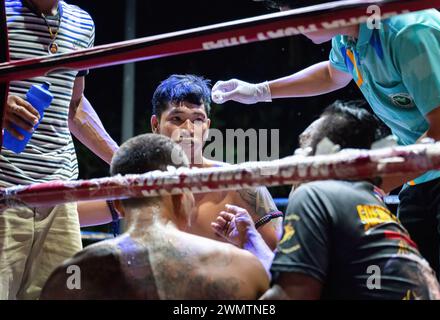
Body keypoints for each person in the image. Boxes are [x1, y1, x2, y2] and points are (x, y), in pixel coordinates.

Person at [212, 0, 440, 295]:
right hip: (417, 172)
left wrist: (374, 184)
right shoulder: (350, 36)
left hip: (435, 161)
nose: (295, 28)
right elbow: (332, 74)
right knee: (410, 286)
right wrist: (260, 91)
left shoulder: (408, 31)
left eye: (299, 18)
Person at [213, 101, 440, 300]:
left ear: (328, 156)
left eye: (306, 146)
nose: (296, 157)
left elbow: (294, 294)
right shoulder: (368, 201)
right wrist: (252, 241)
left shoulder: (315, 195)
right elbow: (309, 277)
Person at [40, 133, 269, 300]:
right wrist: (253, 242)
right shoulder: (241, 267)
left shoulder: (70, 274)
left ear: (118, 205)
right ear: (181, 197)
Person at [0, 0, 118, 300]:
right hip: (3, 190)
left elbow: (73, 104)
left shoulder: (82, 23)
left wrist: (123, 159)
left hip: (59, 195)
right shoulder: (4, 12)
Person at [151, 74, 282, 250]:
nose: (189, 129)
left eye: (198, 119)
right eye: (177, 119)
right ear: (155, 125)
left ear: (208, 125)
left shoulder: (241, 182)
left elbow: (281, 259)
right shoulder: (136, 185)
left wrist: (250, 242)